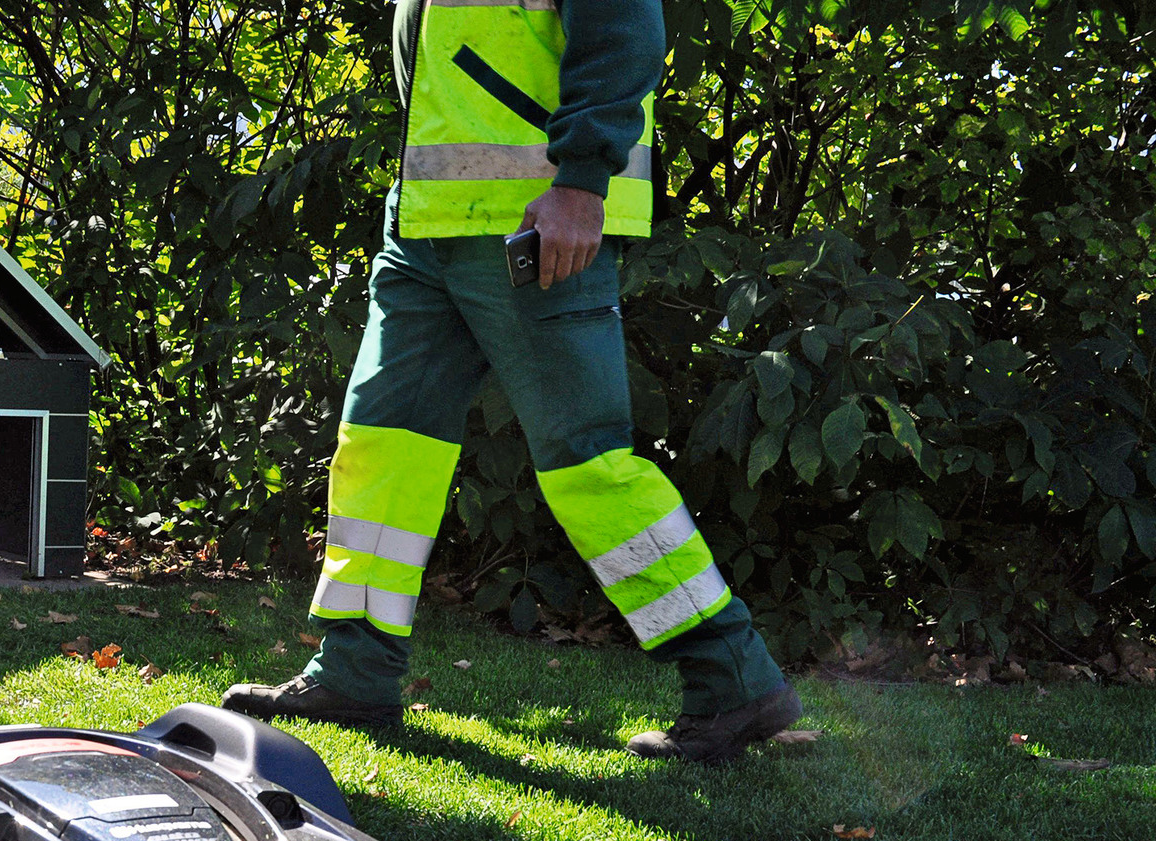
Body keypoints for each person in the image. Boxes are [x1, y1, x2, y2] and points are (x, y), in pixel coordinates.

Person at [221, 0, 800, 762]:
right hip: (426, 225)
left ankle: (732, 676)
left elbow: (627, 30)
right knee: (382, 448)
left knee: (589, 464)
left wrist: (582, 181)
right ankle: (355, 672)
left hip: (534, 223)